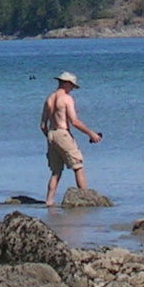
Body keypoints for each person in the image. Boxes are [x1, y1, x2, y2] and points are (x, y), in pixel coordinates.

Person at [40, 70, 100, 206]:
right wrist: (91, 133)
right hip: (62, 133)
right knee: (78, 166)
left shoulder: (49, 98)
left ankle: (49, 201)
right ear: (66, 84)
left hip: (51, 134)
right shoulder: (67, 99)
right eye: (72, 85)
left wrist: (51, 138)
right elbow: (74, 121)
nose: (73, 88)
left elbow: (43, 125)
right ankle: (86, 198)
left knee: (56, 171)